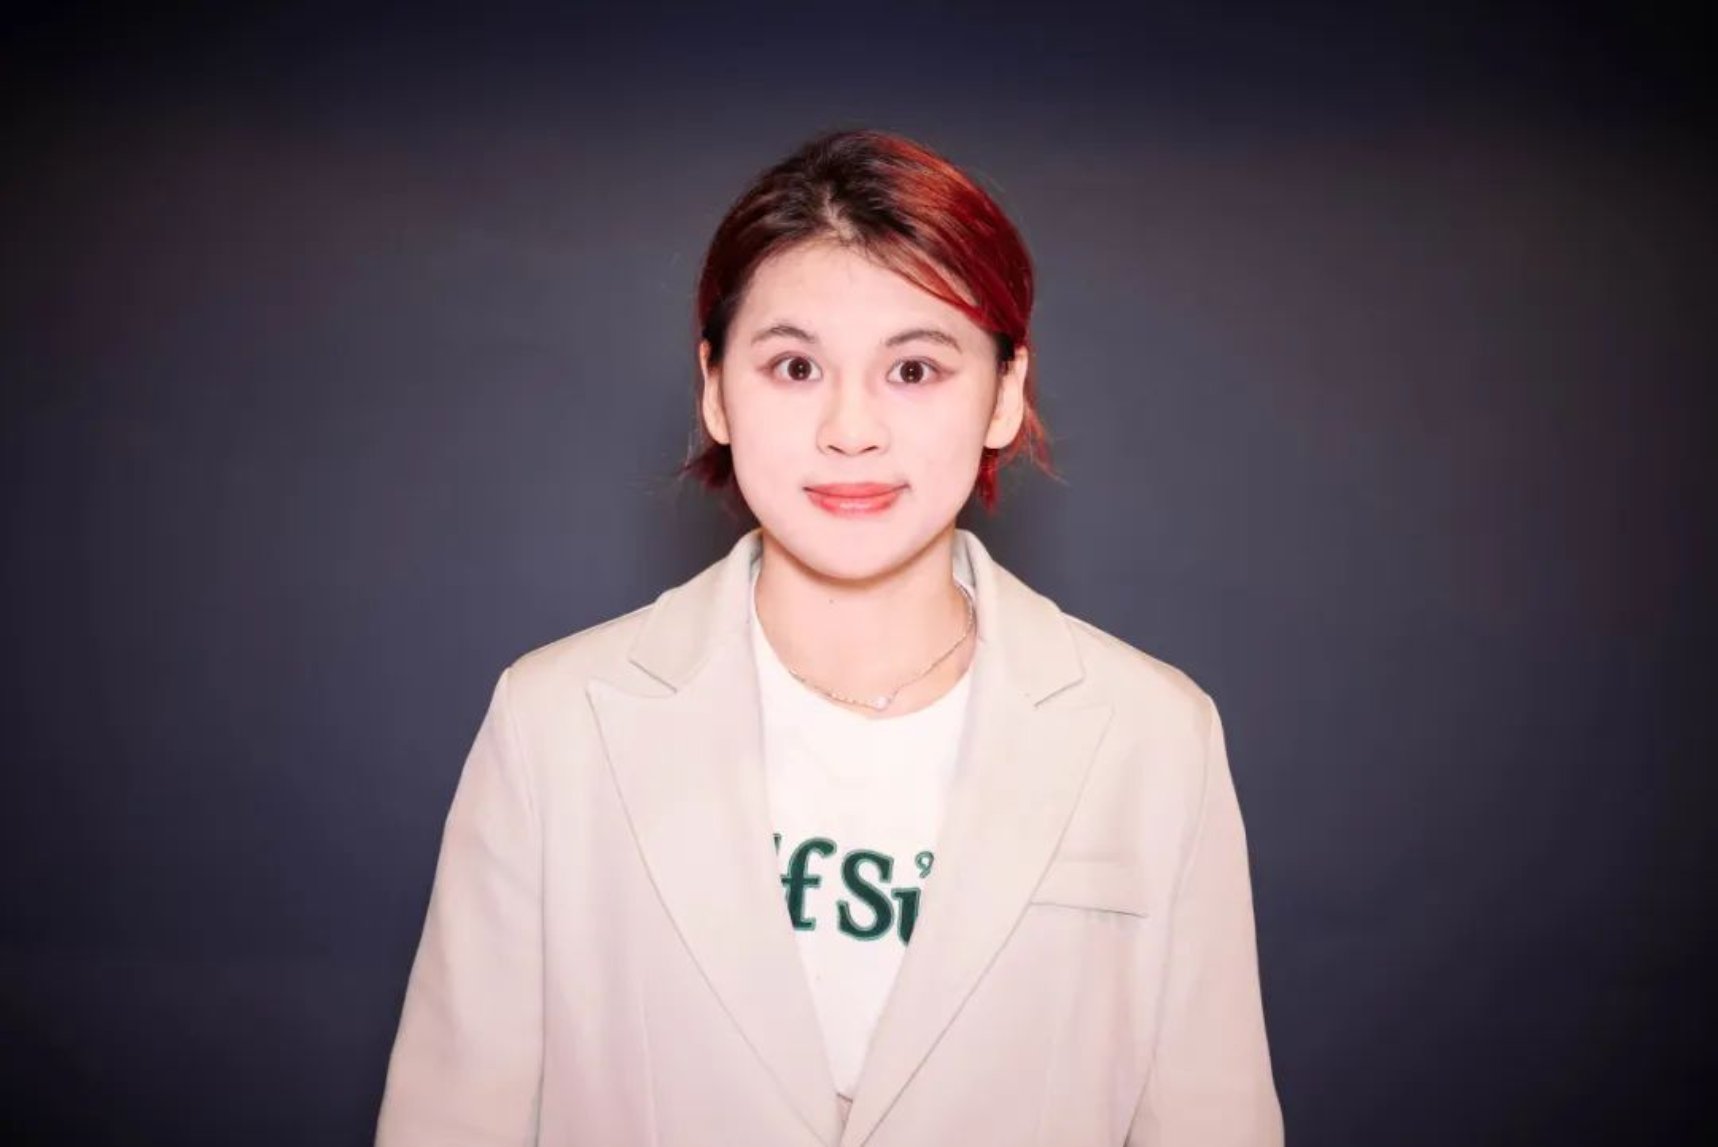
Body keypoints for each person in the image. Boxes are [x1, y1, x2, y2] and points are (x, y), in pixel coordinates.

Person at [375, 128, 1282, 1147]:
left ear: (1004, 392)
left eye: (915, 369)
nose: (850, 429)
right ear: (716, 388)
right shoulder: (554, 723)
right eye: (796, 365)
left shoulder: (1153, 737)